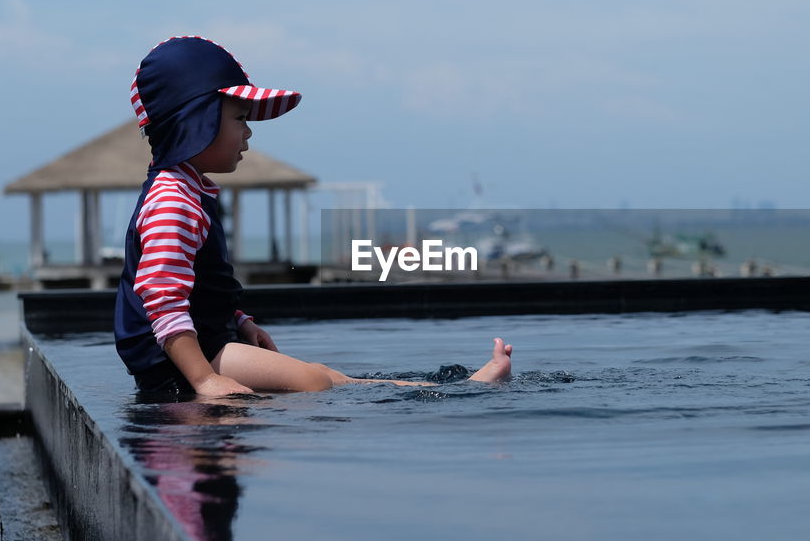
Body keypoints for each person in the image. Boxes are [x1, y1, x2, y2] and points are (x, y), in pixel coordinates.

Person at [114, 36, 512, 396]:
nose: (249, 133)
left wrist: (238, 320)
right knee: (311, 382)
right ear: (195, 121)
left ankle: (459, 388)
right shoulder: (173, 201)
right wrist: (205, 380)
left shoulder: (188, 191)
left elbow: (198, 288)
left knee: (326, 374)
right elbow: (163, 297)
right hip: (178, 363)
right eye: (239, 118)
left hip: (201, 346)